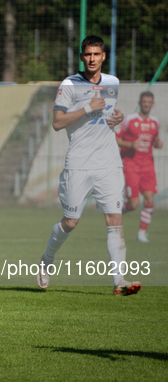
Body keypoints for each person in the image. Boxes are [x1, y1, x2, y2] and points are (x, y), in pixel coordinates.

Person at [36, 35, 141, 296]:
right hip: (79, 163)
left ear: (104, 56)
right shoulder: (69, 84)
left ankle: (120, 282)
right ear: (82, 57)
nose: (92, 59)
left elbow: (107, 116)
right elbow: (58, 122)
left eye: (96, 54)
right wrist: (86, 108)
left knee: (114, 220)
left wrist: (118, 117)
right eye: (87, 55)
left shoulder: (112, 82)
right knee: (71, 222)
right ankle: (46, 260)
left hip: (108, 162)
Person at [116, 91, 163, 242]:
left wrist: (158, 144)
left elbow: (155, 140)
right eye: (144, 101)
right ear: (139, 102)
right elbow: (115, 138)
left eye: (149, 102)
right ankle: (116, 212)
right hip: (131, 165)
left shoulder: (155, 122)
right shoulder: (129, 120)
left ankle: (141, 233)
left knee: (149, 199)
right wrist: (129, 144)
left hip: (148, 166)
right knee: (134, 204)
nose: (146, 104)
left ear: (152, 104)